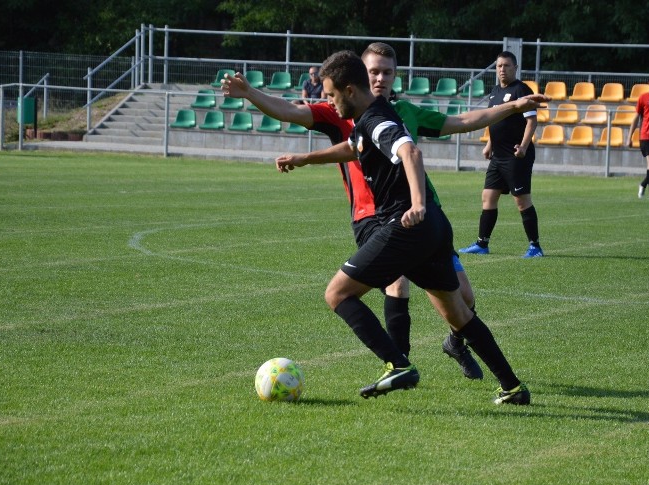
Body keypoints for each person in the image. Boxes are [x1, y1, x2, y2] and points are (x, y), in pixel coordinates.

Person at [221, 46, 545, 381]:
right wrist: (252, 96)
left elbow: (459, 123)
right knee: (398, 284)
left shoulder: (398, 113)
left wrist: (513, 107)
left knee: (462, 300)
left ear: (392, 77)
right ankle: (401, 361)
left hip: (416, 214)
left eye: (387, 72)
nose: (380, 78)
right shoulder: (341, 113)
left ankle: (434, 357)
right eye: (374, 71)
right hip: (376, 218)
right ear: (360, 75)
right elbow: (295, 114)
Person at [459, 51, 543, 259]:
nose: (502, 70)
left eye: (506, 66)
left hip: (516, 155)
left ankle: (535, 246)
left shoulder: (522, 90)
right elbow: (493, 120)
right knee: (488, 197)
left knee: (521, 201)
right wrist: (489, 144)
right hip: (498, 155)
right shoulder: (496, 91)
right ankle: (482, 243)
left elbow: (532, 121)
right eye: (498, 66)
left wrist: (523, 146)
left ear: (515, 68)